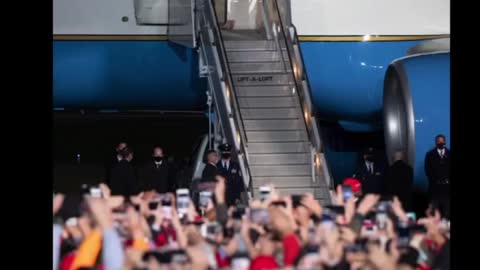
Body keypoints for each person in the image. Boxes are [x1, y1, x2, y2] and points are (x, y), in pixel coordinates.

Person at [424, 134, 450, 217]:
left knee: (447, 213)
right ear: (436, 142)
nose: (441, 142)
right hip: (434, 189)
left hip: (447, 189)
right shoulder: (429, 155)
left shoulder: (450, 154)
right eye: (439, 141)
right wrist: (436, 180)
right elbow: (427, 171)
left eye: (442, 141)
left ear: (445, 142)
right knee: (434, 214)